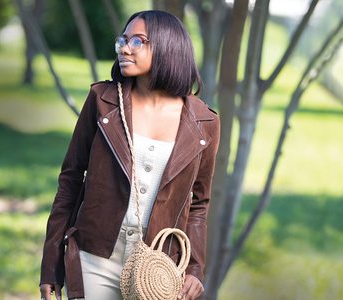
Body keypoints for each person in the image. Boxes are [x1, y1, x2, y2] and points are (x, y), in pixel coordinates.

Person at [39, 10, 220, 300]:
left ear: (168, 47)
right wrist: (50, 266)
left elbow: (199, 204)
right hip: (94, 257)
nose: (124, 47)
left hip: (157, 270)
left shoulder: (204, 122)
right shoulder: (102, 101)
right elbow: (70, 182)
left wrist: (195, 269)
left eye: (138, 41)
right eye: (123, 39)